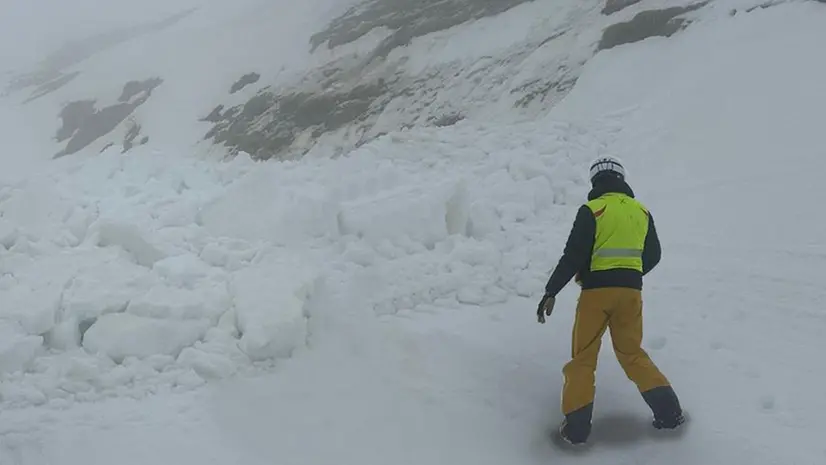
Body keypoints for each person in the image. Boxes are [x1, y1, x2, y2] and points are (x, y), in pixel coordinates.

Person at [536, 155, 684, 446]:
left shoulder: (592, 209)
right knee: (631, 353)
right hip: (631, 294)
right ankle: (669, 413)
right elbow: (653, 255)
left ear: (595, 181)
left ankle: (577, 428)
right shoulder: (641, 211)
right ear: (622, 179)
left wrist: (551, 290)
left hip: (596, 294)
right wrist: (630, 274)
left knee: (583, 359)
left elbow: (573, 256)